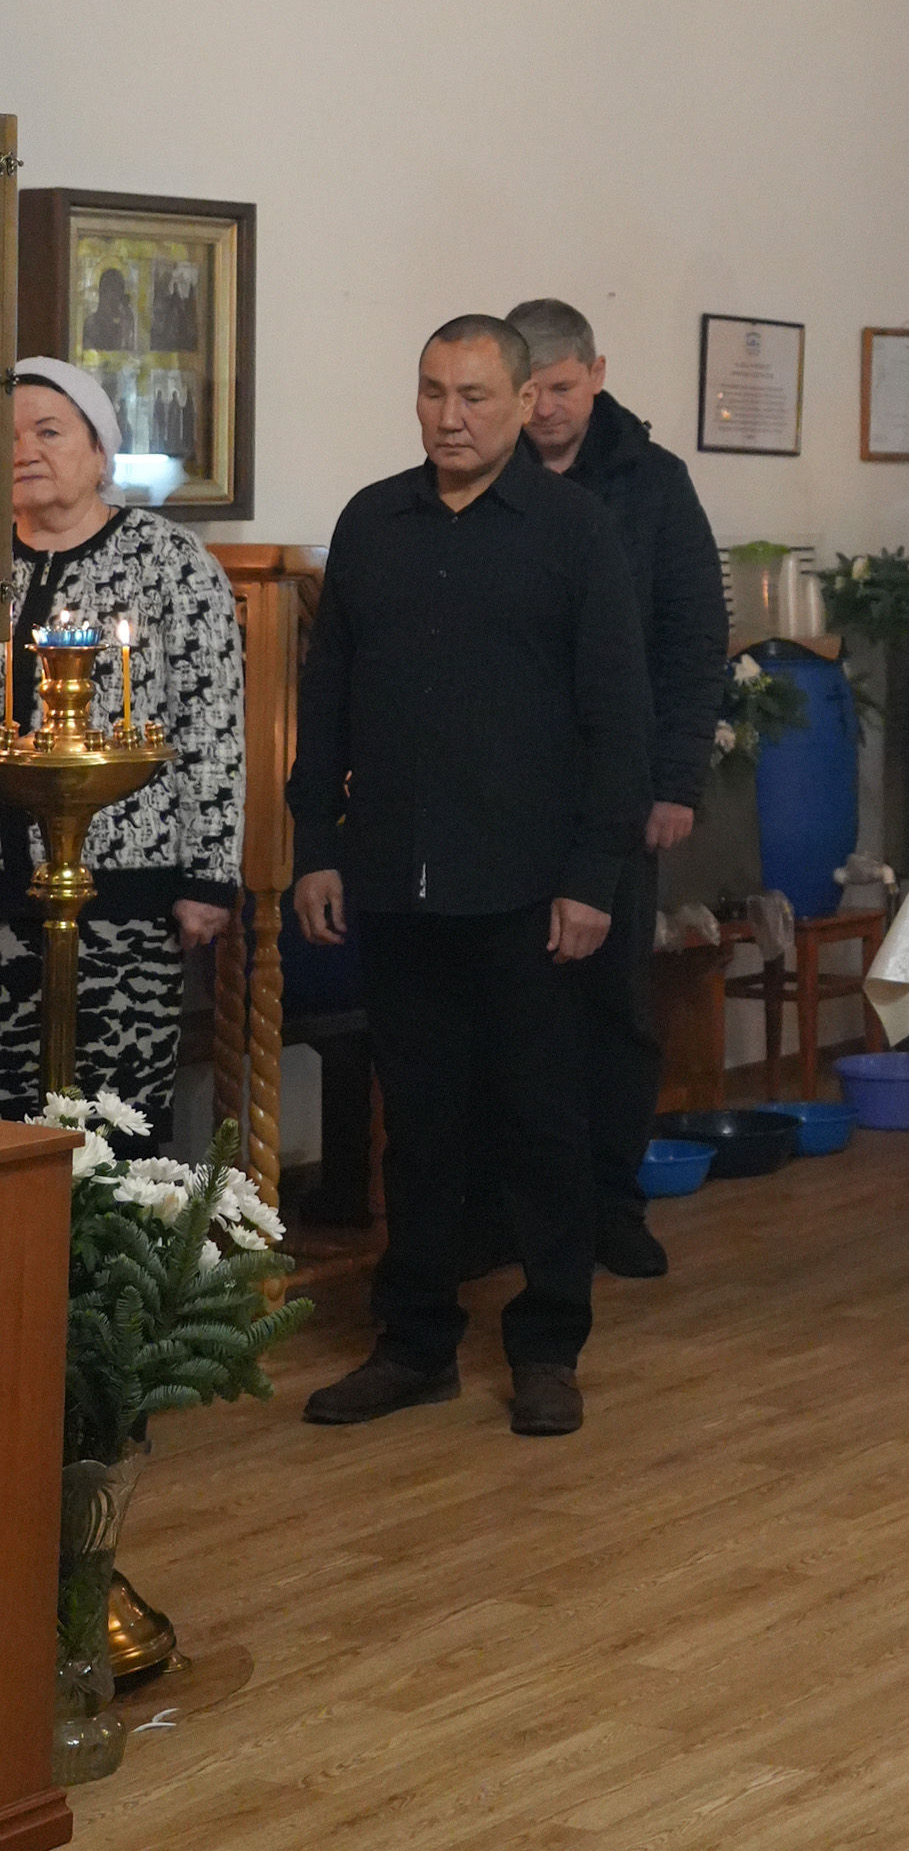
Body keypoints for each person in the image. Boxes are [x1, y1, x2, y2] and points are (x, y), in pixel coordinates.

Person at [289, 317, 650, 1439]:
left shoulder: (574, 530)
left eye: (476, 396)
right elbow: (327, 695)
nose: (451, 417)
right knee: (420, 1127)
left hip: (532, 890)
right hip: (396, 883)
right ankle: (415, 1344)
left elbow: (619, 718)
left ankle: (546, 1346)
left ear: (525, 401)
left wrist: (593, 876)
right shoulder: (372, 522)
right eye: (433, 393)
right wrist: (315, 845)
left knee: (541, 1125)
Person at [505, 297, 728, 1277]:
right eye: (530, 390)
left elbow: (692, 639)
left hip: (619, 784)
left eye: (562, 387)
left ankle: (612, 1201)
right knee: (512, 1005)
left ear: (596, 374)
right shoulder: (485, 472)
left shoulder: (653, 481)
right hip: (506, 788)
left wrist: (674, 781)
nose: (547, 408)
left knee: (615, 1007)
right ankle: (510, 1207)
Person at [0, 360, 244, 1126]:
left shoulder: (172, 563)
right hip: (4, 888)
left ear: (100, 450)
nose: (24, 450)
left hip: (125, 887)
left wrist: (210, 875)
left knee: (114, 1119)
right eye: (10, 434)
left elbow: (212, 724)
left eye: (48, 431)